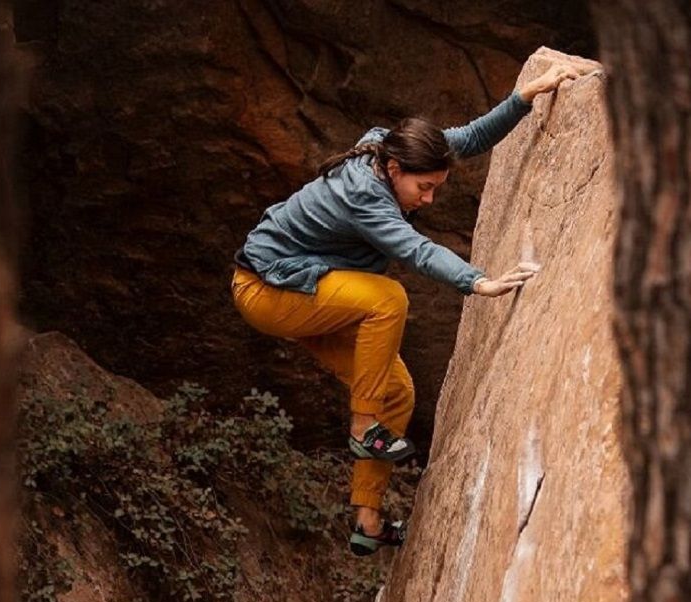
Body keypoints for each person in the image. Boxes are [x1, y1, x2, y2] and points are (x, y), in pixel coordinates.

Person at [231, 61, 583, 556]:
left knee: (396, 392)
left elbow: (468, 138)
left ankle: (367, 520)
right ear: (395, 172)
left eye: (436, 187)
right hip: (266, 292)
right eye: (424, 188)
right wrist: (477, 281)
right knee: (388, 298)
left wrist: (522, 98)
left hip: (310, 291)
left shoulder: (393, 149)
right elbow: (416, 250)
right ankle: (362, 428)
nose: (430, 198)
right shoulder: (365, 197)